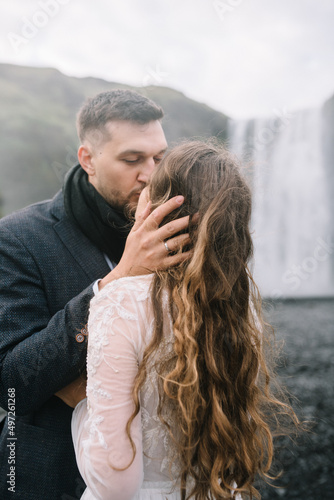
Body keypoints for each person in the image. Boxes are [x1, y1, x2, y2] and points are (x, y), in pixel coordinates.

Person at [71, 140, 299, 499]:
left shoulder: (120, 303)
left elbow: (116, 481)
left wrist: (83, 412)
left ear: (157, 211)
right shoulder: (240, 306)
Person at [0, 90, 191, 500]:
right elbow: (10, 383)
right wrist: (121, 277)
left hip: (168, 473)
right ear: (87, 159)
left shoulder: (178, 231)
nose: (152, 175)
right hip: (49, 479)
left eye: (160, 157)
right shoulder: (16, 238)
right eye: (132, 159)